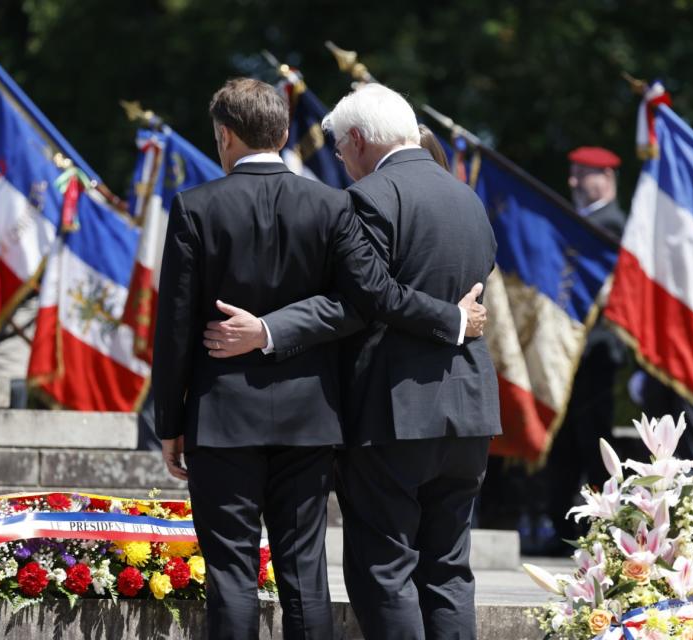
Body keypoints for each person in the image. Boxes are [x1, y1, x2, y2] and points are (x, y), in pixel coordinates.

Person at [152, 78, 486, 640]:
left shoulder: (195, 206)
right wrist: (452, 319)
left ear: (224, 136)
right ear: (284, 133)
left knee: (232, 573)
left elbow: (175, 326)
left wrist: (169, 421)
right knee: (306, 576)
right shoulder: (333, 206)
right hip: (312, 420)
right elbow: (362, 300)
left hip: (222, 416)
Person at [527, 146, 628, 554]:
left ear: (606, 178)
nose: (573, 182)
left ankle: (599, 528)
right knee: (564, 441)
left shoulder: (613, 226)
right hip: (567, 352)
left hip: (595, 352)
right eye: (572, 173)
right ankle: (562, 526)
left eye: (582, 174)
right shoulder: (579, 223)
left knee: (592, 442)